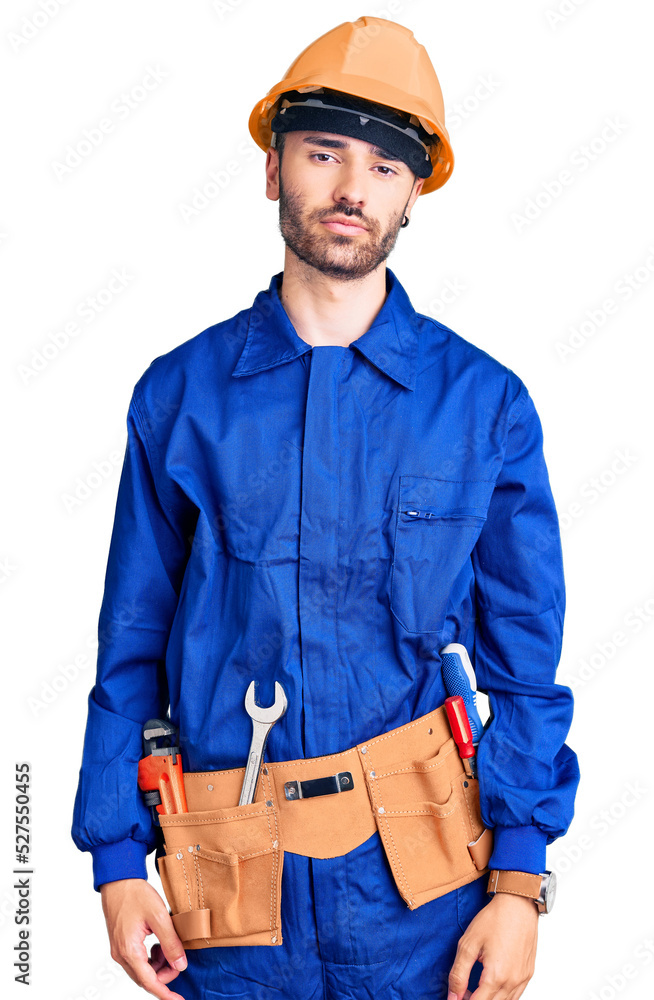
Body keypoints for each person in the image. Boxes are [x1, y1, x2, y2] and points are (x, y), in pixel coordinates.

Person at [71, 16, 580, 1000]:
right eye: (323, 152)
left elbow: (526, 656)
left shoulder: (484, 406)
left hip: (427, 904)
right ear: (273, 170)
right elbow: (131, 642)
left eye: (387, 167)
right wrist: (117, 863)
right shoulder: (180, 398)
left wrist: (520, 883)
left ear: (413, 194)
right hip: (227, 903)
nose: (353, 187)